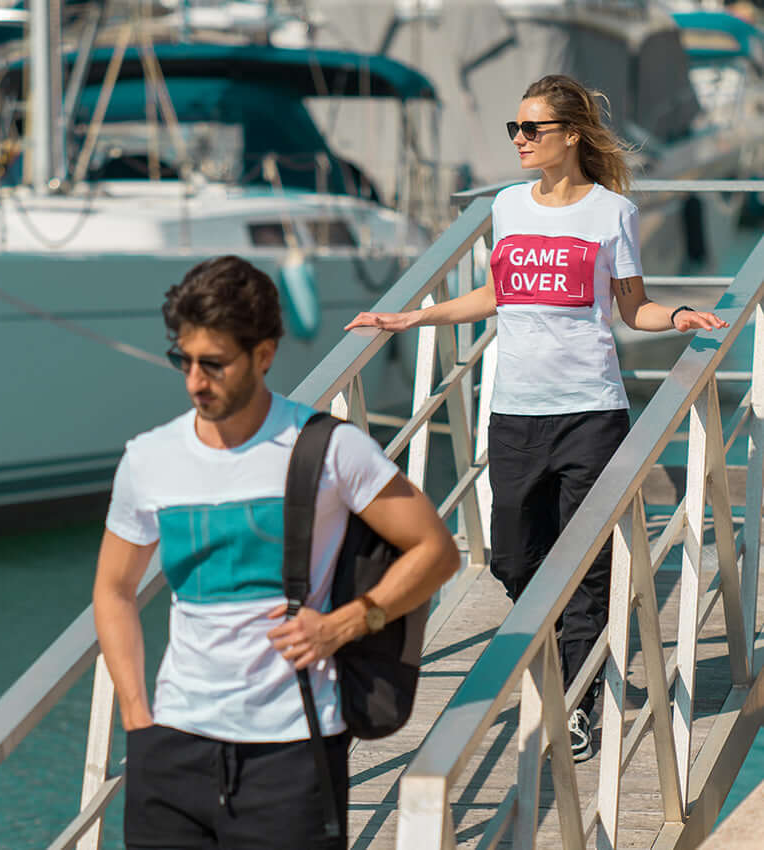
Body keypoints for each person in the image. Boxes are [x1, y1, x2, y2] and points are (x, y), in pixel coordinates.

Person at [345, 74, 728, 762]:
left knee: (584, 565)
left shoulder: (611, 212)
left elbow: (630, 307)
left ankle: (577, 706)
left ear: (570, 136)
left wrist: (674, 316)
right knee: (513, 559)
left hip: (591, 410)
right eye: (514, 130)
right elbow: (498, 293)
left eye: (532, 129)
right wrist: (415, 316)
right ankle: (568, 660)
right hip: (516, 411)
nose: (519, 140)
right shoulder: (508, 206)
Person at [93, 255, 459, 850]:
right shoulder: (149, 459)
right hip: (171, 749)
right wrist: (138, 718)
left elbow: (435, 551)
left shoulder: (330, 449)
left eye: (213, 364)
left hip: (293, 750)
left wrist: (345, 623)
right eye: (183, 361)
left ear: (263, 356)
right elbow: (113, 589)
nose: (194, 382)